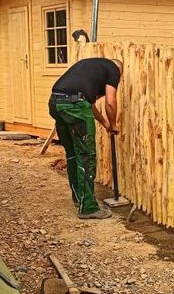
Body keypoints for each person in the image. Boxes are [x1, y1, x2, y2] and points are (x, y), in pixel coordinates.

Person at [48, 57, 122, 219]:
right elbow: (110, 101)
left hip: (55, 102)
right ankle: (88, 207)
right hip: (74, 106)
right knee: (86, 156)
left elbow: (89, 103)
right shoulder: (114, 69)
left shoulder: (91, 67)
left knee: (73, 154)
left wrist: (104, 123)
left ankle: (79, 197)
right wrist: (114, 124)